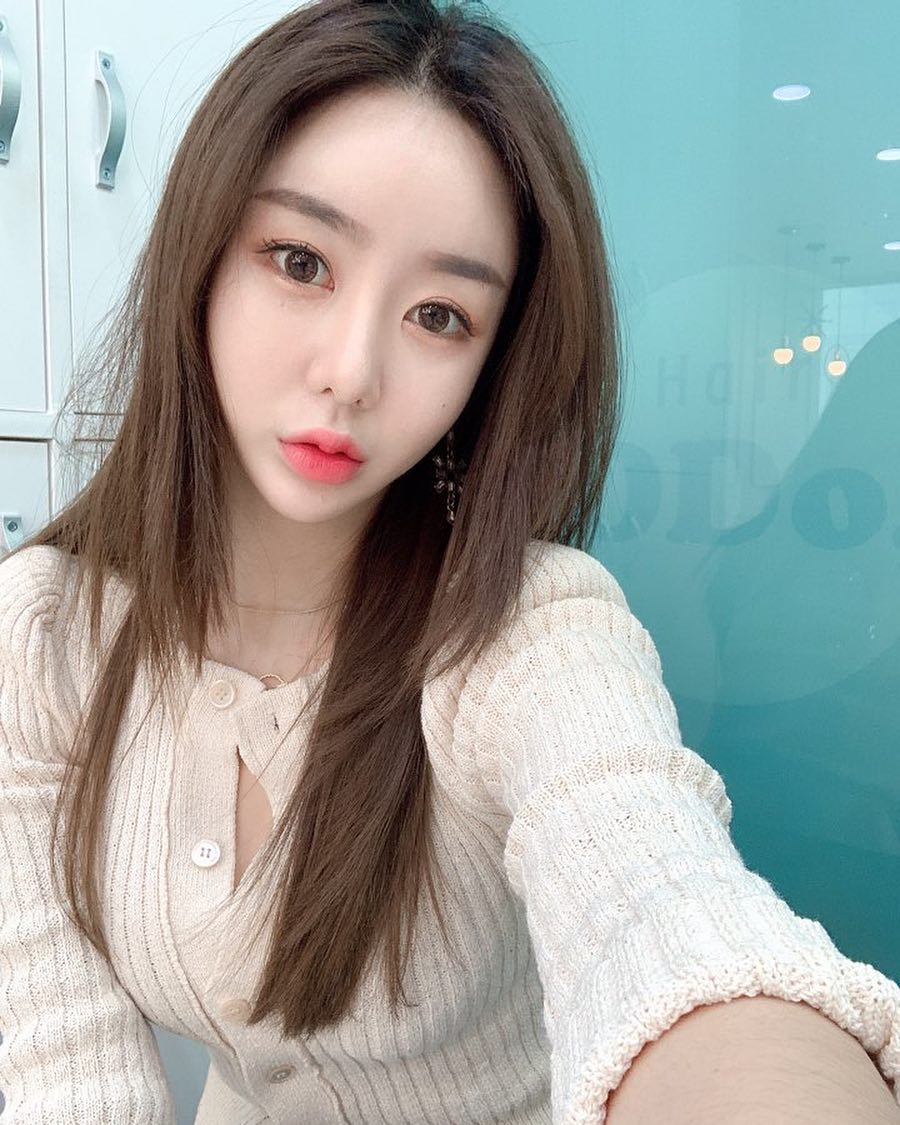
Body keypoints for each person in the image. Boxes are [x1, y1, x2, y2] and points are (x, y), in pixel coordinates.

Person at [1, 1, 899, 1122]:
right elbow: (63, 1065)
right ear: (203, 257)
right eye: (300, 260)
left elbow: (664, 906)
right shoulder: (44, 637)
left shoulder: (521, 632)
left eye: (439, 315)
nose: (352, 371)